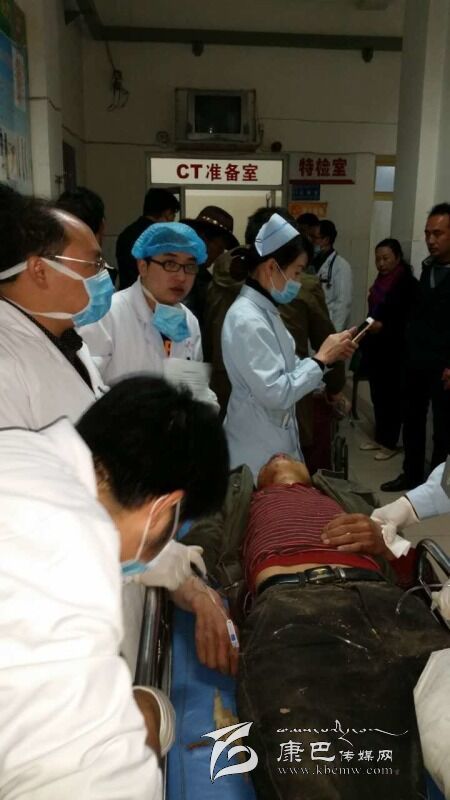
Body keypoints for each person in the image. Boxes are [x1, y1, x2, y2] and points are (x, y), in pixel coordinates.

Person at [0, 376, 230, 799]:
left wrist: (190, 586)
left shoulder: (22, 454)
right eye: (175, 526)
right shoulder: (70, 564)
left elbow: (135, 547)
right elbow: (90, 781)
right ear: (164, 509)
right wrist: (150, 715)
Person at [183, 452, 449, 799]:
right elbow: (194, 552)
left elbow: (408, 563)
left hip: (392, 605)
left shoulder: (342, 494)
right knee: (315, 775)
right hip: (293, 612)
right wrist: (200, 595)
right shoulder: (237, 497)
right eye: (270, 461)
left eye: (291, 455)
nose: (281, 454)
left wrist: (386, 542)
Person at [221, 212, 355, 478]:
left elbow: (289, 370)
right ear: (272, 267)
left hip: (271, 439)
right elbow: (276, 392)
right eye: (296, 272)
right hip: (255, 447)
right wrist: (320, 360)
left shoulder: (267, 311)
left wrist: (327, 359)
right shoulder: (246, 319)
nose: (298, 281)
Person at [0, 183, 112, 428]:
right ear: (40, 270)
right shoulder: (5, 363)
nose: (104, 273)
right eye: (95, 264)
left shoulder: (68, 340)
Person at [81, 222, 217, 407]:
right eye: (170, 264)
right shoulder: (108, 314)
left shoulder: (188, 320)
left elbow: (194, 389)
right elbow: (85, 389)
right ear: (143, 266)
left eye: (190, 266)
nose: (181, 277)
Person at [382, 203, 450, 491]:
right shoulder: (427, 268)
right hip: (416, 359)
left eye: (438, 233)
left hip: (444, 365)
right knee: (412, 418)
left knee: (444, 427)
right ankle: (411, 474)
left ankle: (437, 484)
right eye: (427, 233)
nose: (431, 240)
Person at [359, 239, 419, 460]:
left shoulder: (407, 284)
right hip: (376, 348)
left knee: (392, 397)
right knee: (378, 395)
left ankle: (390, 442)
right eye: (378, 259)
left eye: (386, 258)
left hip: (396, 349)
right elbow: (374, 311)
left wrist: (383, 327)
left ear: (398, 257)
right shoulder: (380, 282)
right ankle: (380, 437)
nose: (381, 264)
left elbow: (409, 320)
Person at [182, 206, 239, 328]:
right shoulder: (191, 277)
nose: (220, 253)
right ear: (205, 240)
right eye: (220, 247)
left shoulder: (203, 278)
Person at [116, 188, 180, 290]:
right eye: (173, 215)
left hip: (127, 292)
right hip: (150, 294)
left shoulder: (126, 233)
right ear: (167, 213)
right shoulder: (160, 237)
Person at [313, 218, 353, 331]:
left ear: (326, 239)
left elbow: (343, 304)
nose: (312, 241)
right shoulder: (311, 262)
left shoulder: (341, 266)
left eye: (315, 237)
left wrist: (336, 332)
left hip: (330, 326)